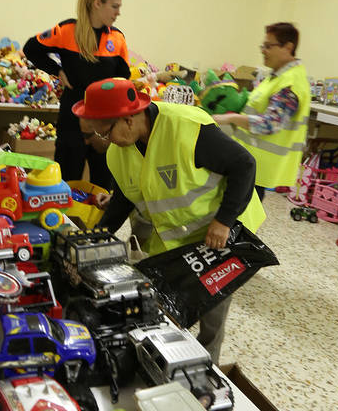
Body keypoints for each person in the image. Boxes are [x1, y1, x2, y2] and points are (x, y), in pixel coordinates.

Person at [73, 78, 266, 363]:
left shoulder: (187, 128)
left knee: (213, 307)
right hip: (174, 235)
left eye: (106, 133)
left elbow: (244, 165)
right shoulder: (119, 152)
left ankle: (207, 363)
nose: (105, 141)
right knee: (167, 301)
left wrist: (224, 221)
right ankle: (171, 357)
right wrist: (96, 237)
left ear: (128, 119)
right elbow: (125, 199)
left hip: (223, 230)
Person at [23, 0, 130, 188]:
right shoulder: (67, 30)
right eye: (115, 6)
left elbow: (123, 80)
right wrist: (57, 70)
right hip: (72, 117)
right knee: (65, 181)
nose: (118, 13)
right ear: (98, 3)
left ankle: (98, 222)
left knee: (103, 182)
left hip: (104, 122)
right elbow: (31, 48)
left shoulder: (117, 38)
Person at [213, 22, 310, 201]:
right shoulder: (276, 76)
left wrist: (230, 119)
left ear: (288, 47)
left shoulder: (290, 83)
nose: (263, 51)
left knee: (237, 222)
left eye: (268, 46)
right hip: (247, 162)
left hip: (258, 168)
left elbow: (269, 124)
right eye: (262, 46)